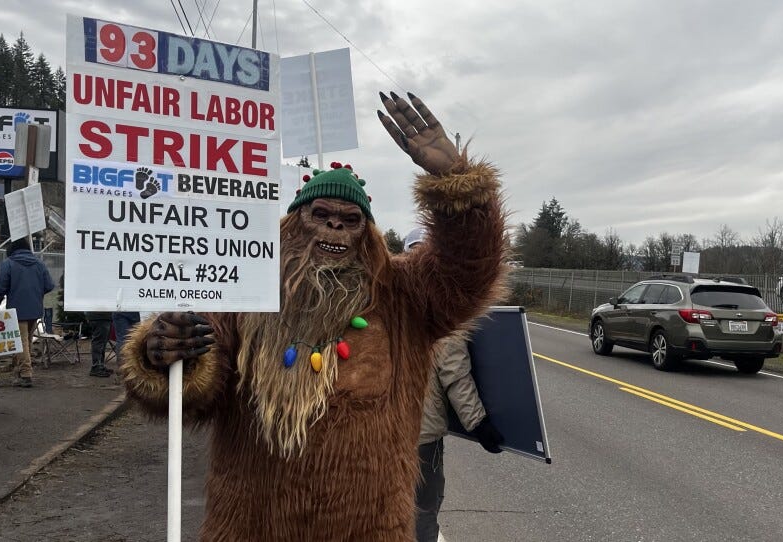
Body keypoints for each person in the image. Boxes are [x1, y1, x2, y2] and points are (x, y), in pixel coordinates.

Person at [120, 92, 509, 540]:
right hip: (253, 525)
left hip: (368, 528)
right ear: (291, 224)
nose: (334, 227)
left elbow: (468, 272)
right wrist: (162, 353)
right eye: (320, 214)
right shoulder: (245, 289)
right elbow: (191, 393)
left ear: (368, 235)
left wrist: (457, 182)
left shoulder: (401, 294)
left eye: (350, 219)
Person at [404, 228, 504, 542]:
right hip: (421, 437)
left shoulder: (383, 304)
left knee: (384, 507)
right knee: (423, 509)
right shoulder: (441, 310)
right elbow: (455, 375)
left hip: (382, 434)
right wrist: (479, 423)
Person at [0, 238, 54, 388]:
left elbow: (0, 287)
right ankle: (18, 369)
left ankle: (26, 374)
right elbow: (50, 285)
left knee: (21, 342)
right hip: (35, 309)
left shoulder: (9, 263)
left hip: (16, 309)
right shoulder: (39, 264)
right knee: (25, 341)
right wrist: (37, 292)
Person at [85, 311, 114, 377]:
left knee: (102, 342)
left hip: (102, 316)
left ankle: (100, 365)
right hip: (100, 316)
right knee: (99, 342)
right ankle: (96, 367)